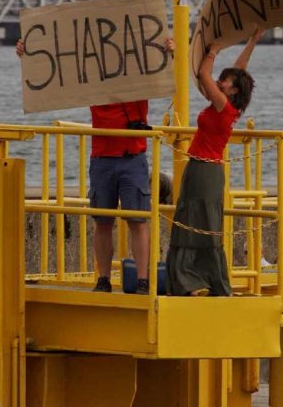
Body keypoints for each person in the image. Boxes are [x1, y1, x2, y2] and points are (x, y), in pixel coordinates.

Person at [16, 37, 174, 294]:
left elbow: (165, 80)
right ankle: (103, 278)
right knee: (103, 221)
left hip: (131, 155)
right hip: (103, 156)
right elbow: (58, 76)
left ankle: (144, 280)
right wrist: (28, 57)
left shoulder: (140, 77)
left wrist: (170, 53)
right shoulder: (92, 77)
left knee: (138, 221)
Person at [167, 28, 263, 297]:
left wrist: (212, 52)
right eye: (221, 80)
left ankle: (200, 280)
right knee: (190, 218)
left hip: (206, 168)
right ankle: (189, 280)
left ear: (232, 91)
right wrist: (252, 41)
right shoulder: (226, 103)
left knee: (202, 221)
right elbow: (239, 70)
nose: (220, 82)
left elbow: (203, 74)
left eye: (225, 82)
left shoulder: (222, 105)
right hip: (199, 166)